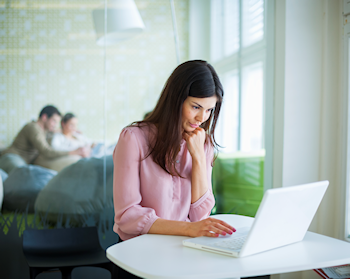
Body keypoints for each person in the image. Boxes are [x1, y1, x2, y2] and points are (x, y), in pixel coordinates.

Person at [113, 60, 235, 242]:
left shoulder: (203, 143)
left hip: (182, 247)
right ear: (175, 100)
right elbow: (127, 216)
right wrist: (187, 228)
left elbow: (199, 216)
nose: (202, 118)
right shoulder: (133, 138)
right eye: (195, 107)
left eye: (209, 110)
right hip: (138, 251)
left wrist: (199, 157)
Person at [0, 105, 88, 174]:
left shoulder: (45, 131)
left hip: (25, 161)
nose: (55, 125)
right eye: (53, 121)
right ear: (44, 117)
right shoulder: (33, 127)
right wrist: (73, 152)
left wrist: (70, 130)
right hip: (13, 157)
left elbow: (55, 131)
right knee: (22, 173)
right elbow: (46, 151)